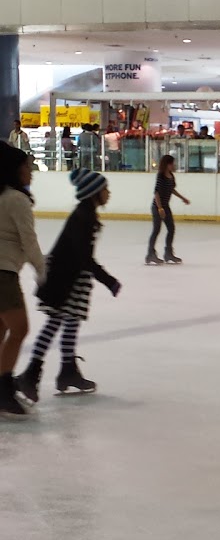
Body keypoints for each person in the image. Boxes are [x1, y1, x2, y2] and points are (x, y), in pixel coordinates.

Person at [15, 168, 120, 400]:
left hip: (71, 276)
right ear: (94, 192)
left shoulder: (86, 214)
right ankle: (31, 374)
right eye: (105, 189)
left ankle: (67, 371)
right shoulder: (83, 217)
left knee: (70, 323)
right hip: (65, 277)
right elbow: (83, 255)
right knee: (56, 323)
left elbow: (82, 257)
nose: (108, 193)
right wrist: (108, 280)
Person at [0, 141, 44, 417]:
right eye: (28, 167)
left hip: (4, 270)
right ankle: (3, 390)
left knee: (2, 330)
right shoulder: (17, 199)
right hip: (3, 274)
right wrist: (42, 270)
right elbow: (29, 241)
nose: (31, 172)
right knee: (19, 329)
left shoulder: (3, 195)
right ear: (16, 170)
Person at [146, 154, 191, 265]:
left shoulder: (171, 176)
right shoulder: (160, 176)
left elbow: (172, 190)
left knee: (171, 228)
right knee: (156, 230)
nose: (174, 165)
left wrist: (182, 198)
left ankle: (168, 253)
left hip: (165, 206)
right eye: (172, 164)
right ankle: (150, 254)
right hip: (157, 207)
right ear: (167, 165)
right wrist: (160, 208)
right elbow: (156, 192)